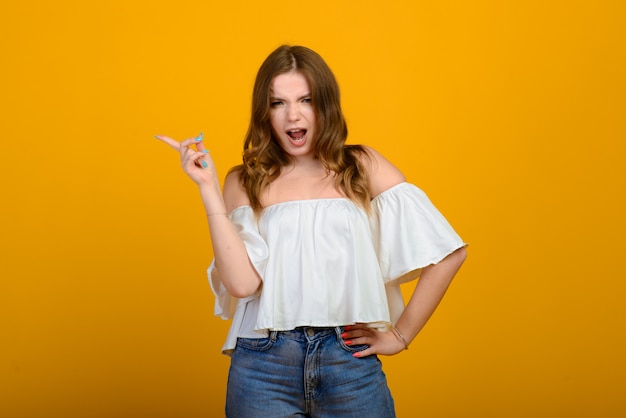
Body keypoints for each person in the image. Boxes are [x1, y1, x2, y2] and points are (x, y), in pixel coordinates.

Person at [155, 45, 467, 418]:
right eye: (278, 103)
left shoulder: (362, 166)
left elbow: (448, 252)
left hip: (348, 362)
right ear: (264, 112)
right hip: (262, 366)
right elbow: (241, 285)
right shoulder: (244, 179)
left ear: (326, 105)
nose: (293, 114)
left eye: (306, 99)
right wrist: (206, 186)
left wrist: (400, 335)